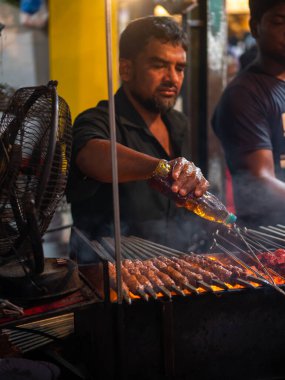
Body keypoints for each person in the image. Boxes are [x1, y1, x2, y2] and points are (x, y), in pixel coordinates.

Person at [66, 16, 209, 263]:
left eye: (179, 68)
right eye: (159, 65)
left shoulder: (179, 123)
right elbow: (90, 155)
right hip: (108, 277)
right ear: (126, 69)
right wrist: (161, 168)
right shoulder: (97, 119)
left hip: (172, 271)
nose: (172, 78)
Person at [212, 0, 285, 229]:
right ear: (255, 27)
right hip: (270, 243)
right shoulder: (243, 94)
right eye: (279, 22)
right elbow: (260, 179)